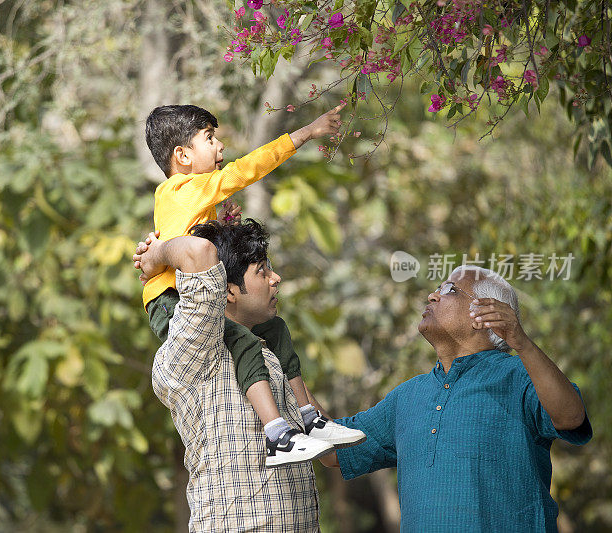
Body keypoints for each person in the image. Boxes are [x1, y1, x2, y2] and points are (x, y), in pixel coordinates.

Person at [140, 104, 363, 465]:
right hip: (169, 302)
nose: (221, 147)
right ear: (182, 155)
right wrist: (305, 133)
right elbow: (247, 169)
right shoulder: (186, 187)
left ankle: (310, 418)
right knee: (243, 339)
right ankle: (277, 433)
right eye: (210, 139)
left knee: (275, 329)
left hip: (186, 292)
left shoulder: (189, 196)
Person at [320, 265, 592, 532]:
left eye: (449, 289)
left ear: (486, 313)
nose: (432, 296)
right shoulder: (406, 397)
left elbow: (571, 416)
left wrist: (522, 342)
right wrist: (287, 370)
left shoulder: (520, 375)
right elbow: (332, 451)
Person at [133, 220, 361, 531]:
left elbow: (330, 454)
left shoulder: (267, 353)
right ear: (227, 291)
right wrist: (158, 253)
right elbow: (199, 251)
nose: (276, 279)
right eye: (263, 272)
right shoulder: (198, 350)